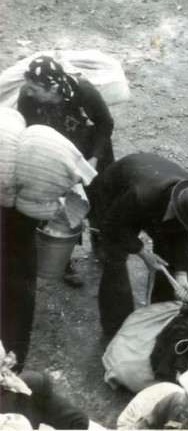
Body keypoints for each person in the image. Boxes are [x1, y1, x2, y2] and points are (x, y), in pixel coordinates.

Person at [87, 152, 188, 338]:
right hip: (114, 200)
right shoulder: (141, 195)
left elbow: (180, 237)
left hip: (154, 203)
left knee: (168, 261)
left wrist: (181, 275)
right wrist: (142, 252)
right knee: (115, 262)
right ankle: (115, 329)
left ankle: (158, 316)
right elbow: (114, 224)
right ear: (175, 208)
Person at [1, 115, 97, 370]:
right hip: (15, 203)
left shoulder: (35, 154)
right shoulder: (33, 159)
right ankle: (13, 357)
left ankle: (11, 357)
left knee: (17, 281)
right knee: (18, 283)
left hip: (17, 198)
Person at [17, 55, 115, 287]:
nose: (28, 92)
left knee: (98, 198)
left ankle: (99, 241)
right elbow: (30, 132)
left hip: (91, 152)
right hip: (57, 155)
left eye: (34, 88)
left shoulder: (82, 90)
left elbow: (105, 123)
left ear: (52, 87)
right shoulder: (27, 98)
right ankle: (63, 259)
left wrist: (94, 158)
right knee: (63, 205)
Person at [0, 341, 90, 429]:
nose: (1, 378)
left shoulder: (28, 384)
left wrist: (25, 393)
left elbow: (78, 421)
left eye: (2, 366)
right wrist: (25, 396)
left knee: (34, 380)